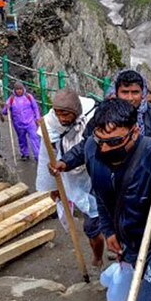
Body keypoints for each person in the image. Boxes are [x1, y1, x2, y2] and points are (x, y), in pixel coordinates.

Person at [51, 98, 151, 301]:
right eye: (101, 140)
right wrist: (109, 230)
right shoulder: (92, 149)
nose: (106, 149)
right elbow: (102, 195)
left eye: (115, 142)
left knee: (146, 300)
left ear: (135, 133)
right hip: (133, 241)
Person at [36, 89, 105, 267]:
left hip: (97, 172)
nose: (62, 118)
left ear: (76, 111)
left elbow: (87, 147)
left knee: (108, 215)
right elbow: (47, 157)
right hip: (68, 170)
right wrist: (53, 187)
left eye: (66, 113)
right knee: (91, 225)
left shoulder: (93, 118)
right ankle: (98, 254)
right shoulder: (50, 125)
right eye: (58, 113)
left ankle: (113, 248)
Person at [107, 70, 151, 147]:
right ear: (116, 93)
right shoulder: (105, 115)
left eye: (135, 92)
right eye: (125, 92)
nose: (130, 98)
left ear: (143, 93)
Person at [2, 82, 42, 161]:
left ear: (23, 89)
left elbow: (35, 108)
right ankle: (25, 154)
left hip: (30, 122)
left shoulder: (28, 97)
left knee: (35, 138)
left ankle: (38, 155)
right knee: (22, 139)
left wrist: (37, 117)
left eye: (20, 89)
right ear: (15, 90)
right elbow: (4, 112)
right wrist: (7, 107)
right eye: (17, 89)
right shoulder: (11, 99)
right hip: (18, 124)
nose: (19, 91)